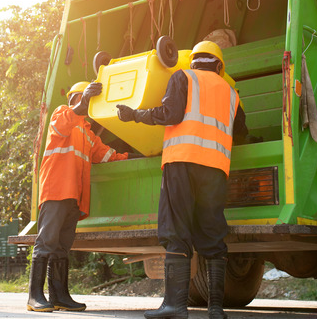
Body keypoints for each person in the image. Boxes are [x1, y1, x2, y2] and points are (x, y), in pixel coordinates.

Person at [116, 41, 247, 319]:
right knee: (212, 234)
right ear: (220, 66)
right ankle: (215, 308)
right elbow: (242, 133)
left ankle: (175, 305)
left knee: (176, 231)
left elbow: (170, 114)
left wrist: (133, 115)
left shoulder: (183, 77)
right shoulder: (232, 93)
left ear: (194, 61)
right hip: (215, 169)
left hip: (181, 162)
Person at [28, 81, 135, 312]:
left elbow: (108, 156)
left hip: (73, 197)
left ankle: (59, 296)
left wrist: (135, 156)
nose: (89, 105)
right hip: (56, 191)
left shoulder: (87, 133)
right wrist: (82, 103)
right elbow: (63, 124)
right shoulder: (61, 114)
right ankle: (34, 296)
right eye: (87, 99)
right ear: (77, 98)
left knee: (62, 247)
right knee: (46, 242)